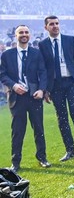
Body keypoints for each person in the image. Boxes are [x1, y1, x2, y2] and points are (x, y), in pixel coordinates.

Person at [39, 16, 74, 162]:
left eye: (57, 23)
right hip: (55, 85)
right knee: (62, 118)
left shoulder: (69, 40)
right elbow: (43, 69)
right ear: (46, 27)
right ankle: (70, 150)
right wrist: (44, 89)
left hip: (72, 82)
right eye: (51, 24)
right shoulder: (42, 44)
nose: (55, 26)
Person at [0, 25, 50, 172]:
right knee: (17, 130)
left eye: (26, 32)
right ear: (16, 36)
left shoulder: (36, 53)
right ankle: (15, 162)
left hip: (34, 97)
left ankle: (42, 157)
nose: (24, 34)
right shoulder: (7, 55)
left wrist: (42, 90)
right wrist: (14, 86)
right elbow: (2, 75)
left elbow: (43, 73)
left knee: (39, 128)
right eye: (21, 32)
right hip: (16, 97)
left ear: (30, 35)